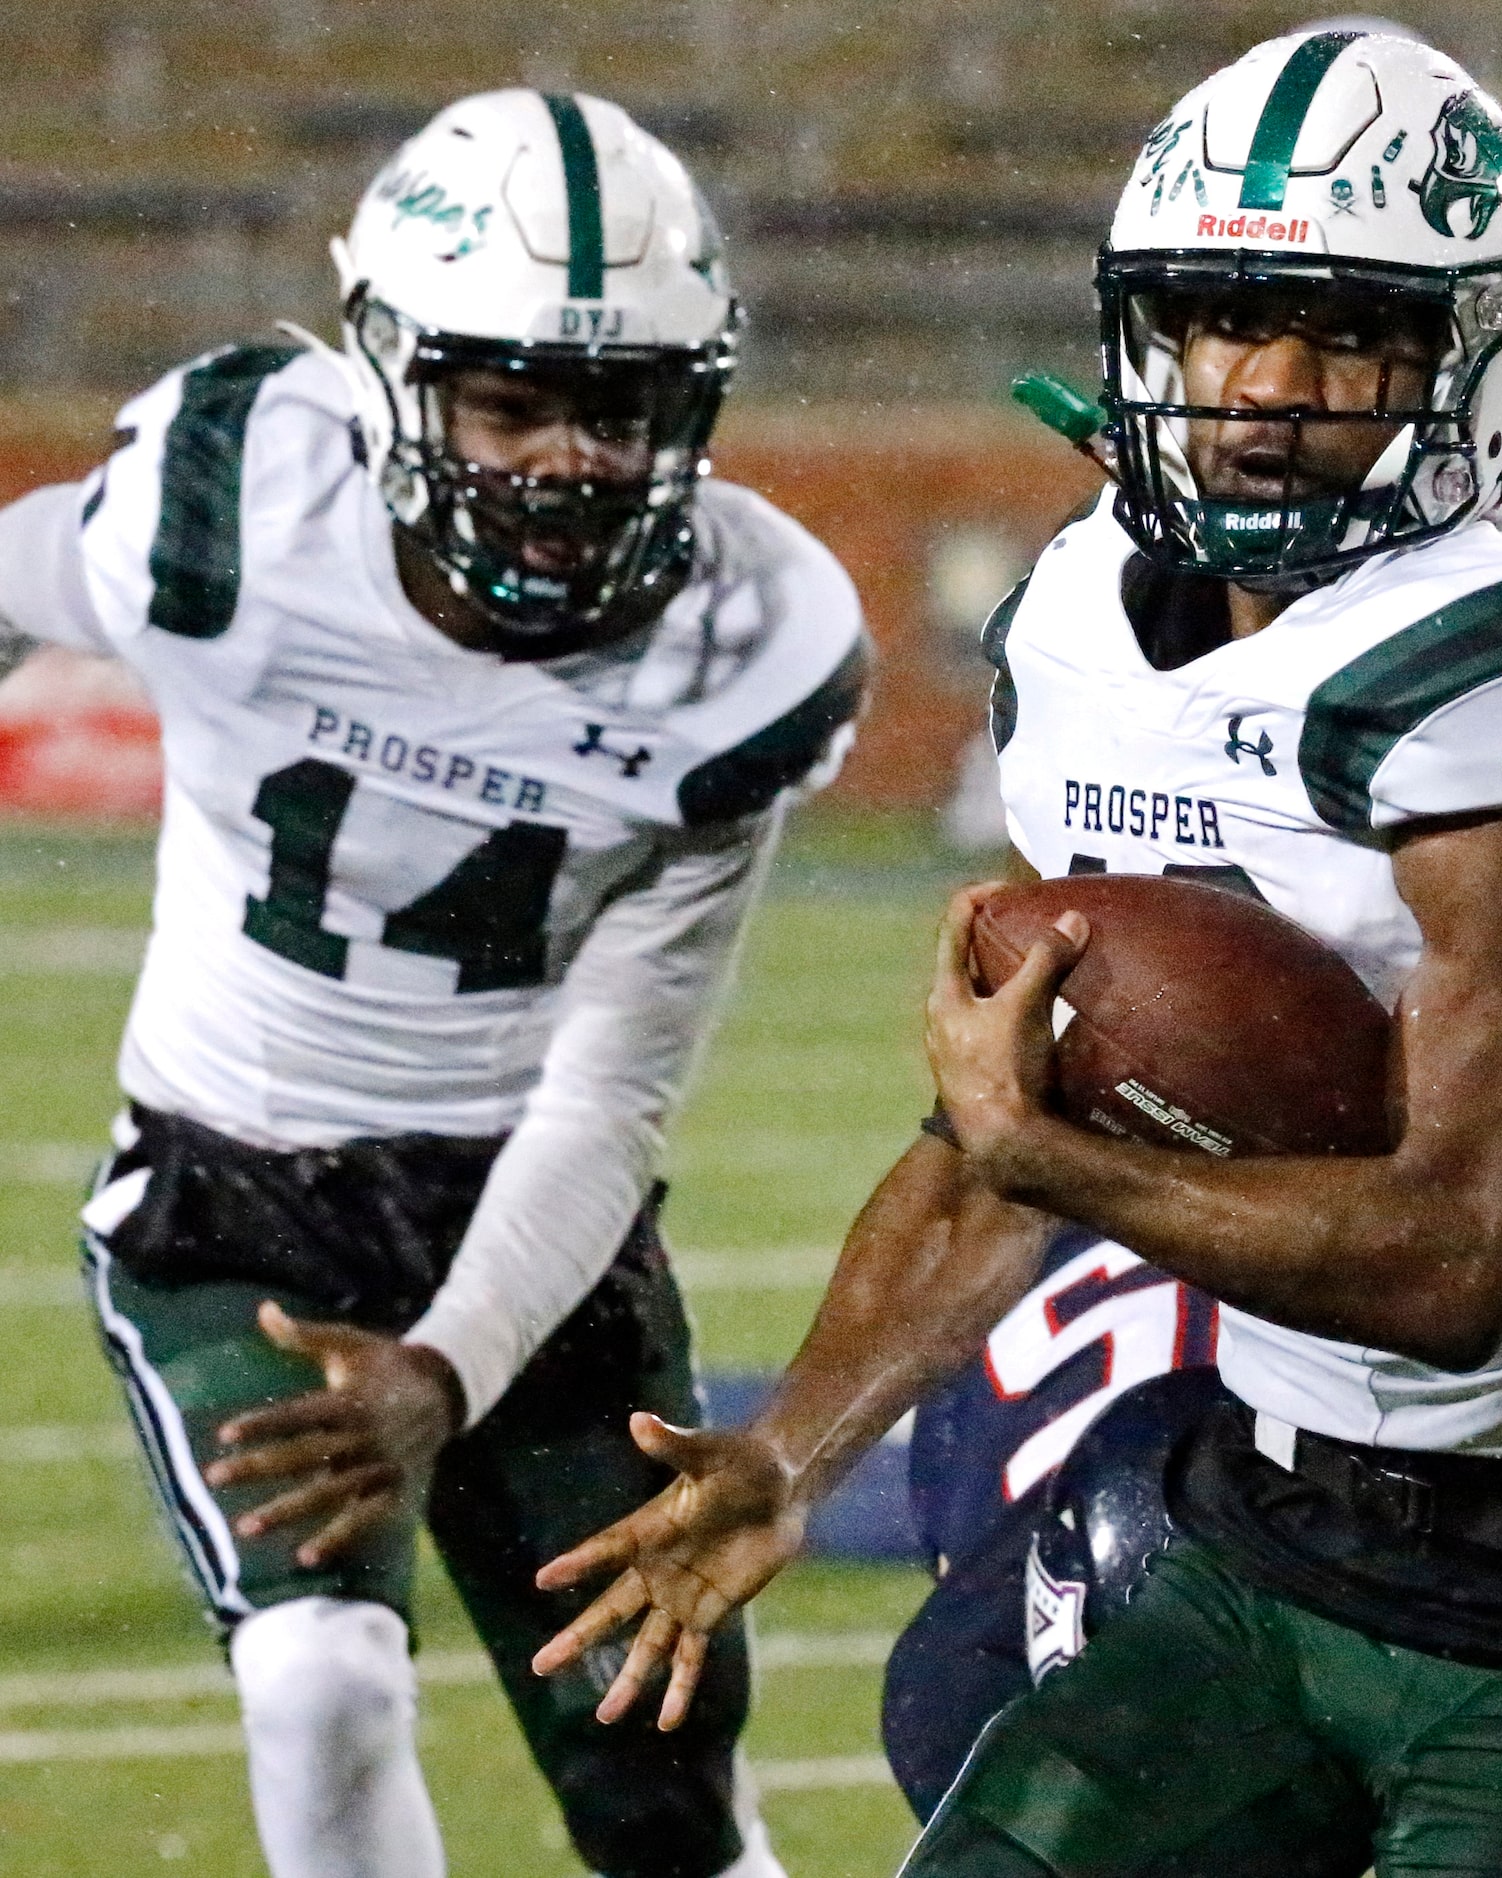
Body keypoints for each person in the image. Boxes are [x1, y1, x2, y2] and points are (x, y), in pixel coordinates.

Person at [533, 32, 1502, 1878]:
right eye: (1216, 321)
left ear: (1484, 361)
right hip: (1265, 1516)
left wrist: (1059, 1160)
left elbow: (1455, 1264)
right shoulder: (1090, 621)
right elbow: (1000, 1130)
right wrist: (793, 1448)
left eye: (1346, 334)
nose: (1263, 391)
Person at [0, 89, 866, 1878]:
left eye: (617, 406)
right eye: (511, 399)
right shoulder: (235, 496)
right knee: (318, 1679)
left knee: (661, 1785)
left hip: (527, 1220)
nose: (566, 456)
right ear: (391, 380)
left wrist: (446, 1366)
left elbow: (611, 1091)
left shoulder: (749, 650)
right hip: (230, 1179)